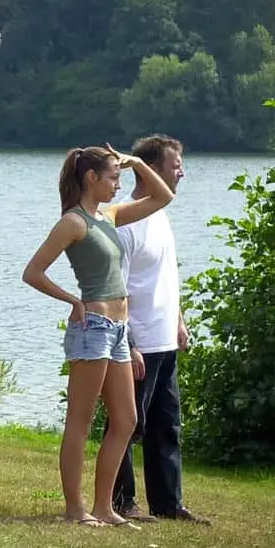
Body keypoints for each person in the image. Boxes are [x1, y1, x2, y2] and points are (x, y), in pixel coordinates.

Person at [22, 144, 174, 528]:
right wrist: (72, 300)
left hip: (119, 331)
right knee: (81, 419)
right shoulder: (73, 222)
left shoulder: (110, 215)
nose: (117, 185)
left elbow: (163, 197)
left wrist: (136, 162)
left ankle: (104, 507)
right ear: (91, 178)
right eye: (113, 178)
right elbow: (33, 272)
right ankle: (75, 509)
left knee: (126, 419)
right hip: (93, 328)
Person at [108, 134, 211, 525]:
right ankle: (121, 501)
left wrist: (179, 318)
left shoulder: (160, 215)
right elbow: (115, 289)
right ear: (151, 169)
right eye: (175, 165)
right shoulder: (125, 221)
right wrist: (129, 343)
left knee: (167, 426)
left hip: (165, 339)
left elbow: (166, 273)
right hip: (138, 343)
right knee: (127, 424)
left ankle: (168, 503)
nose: (181, 172)